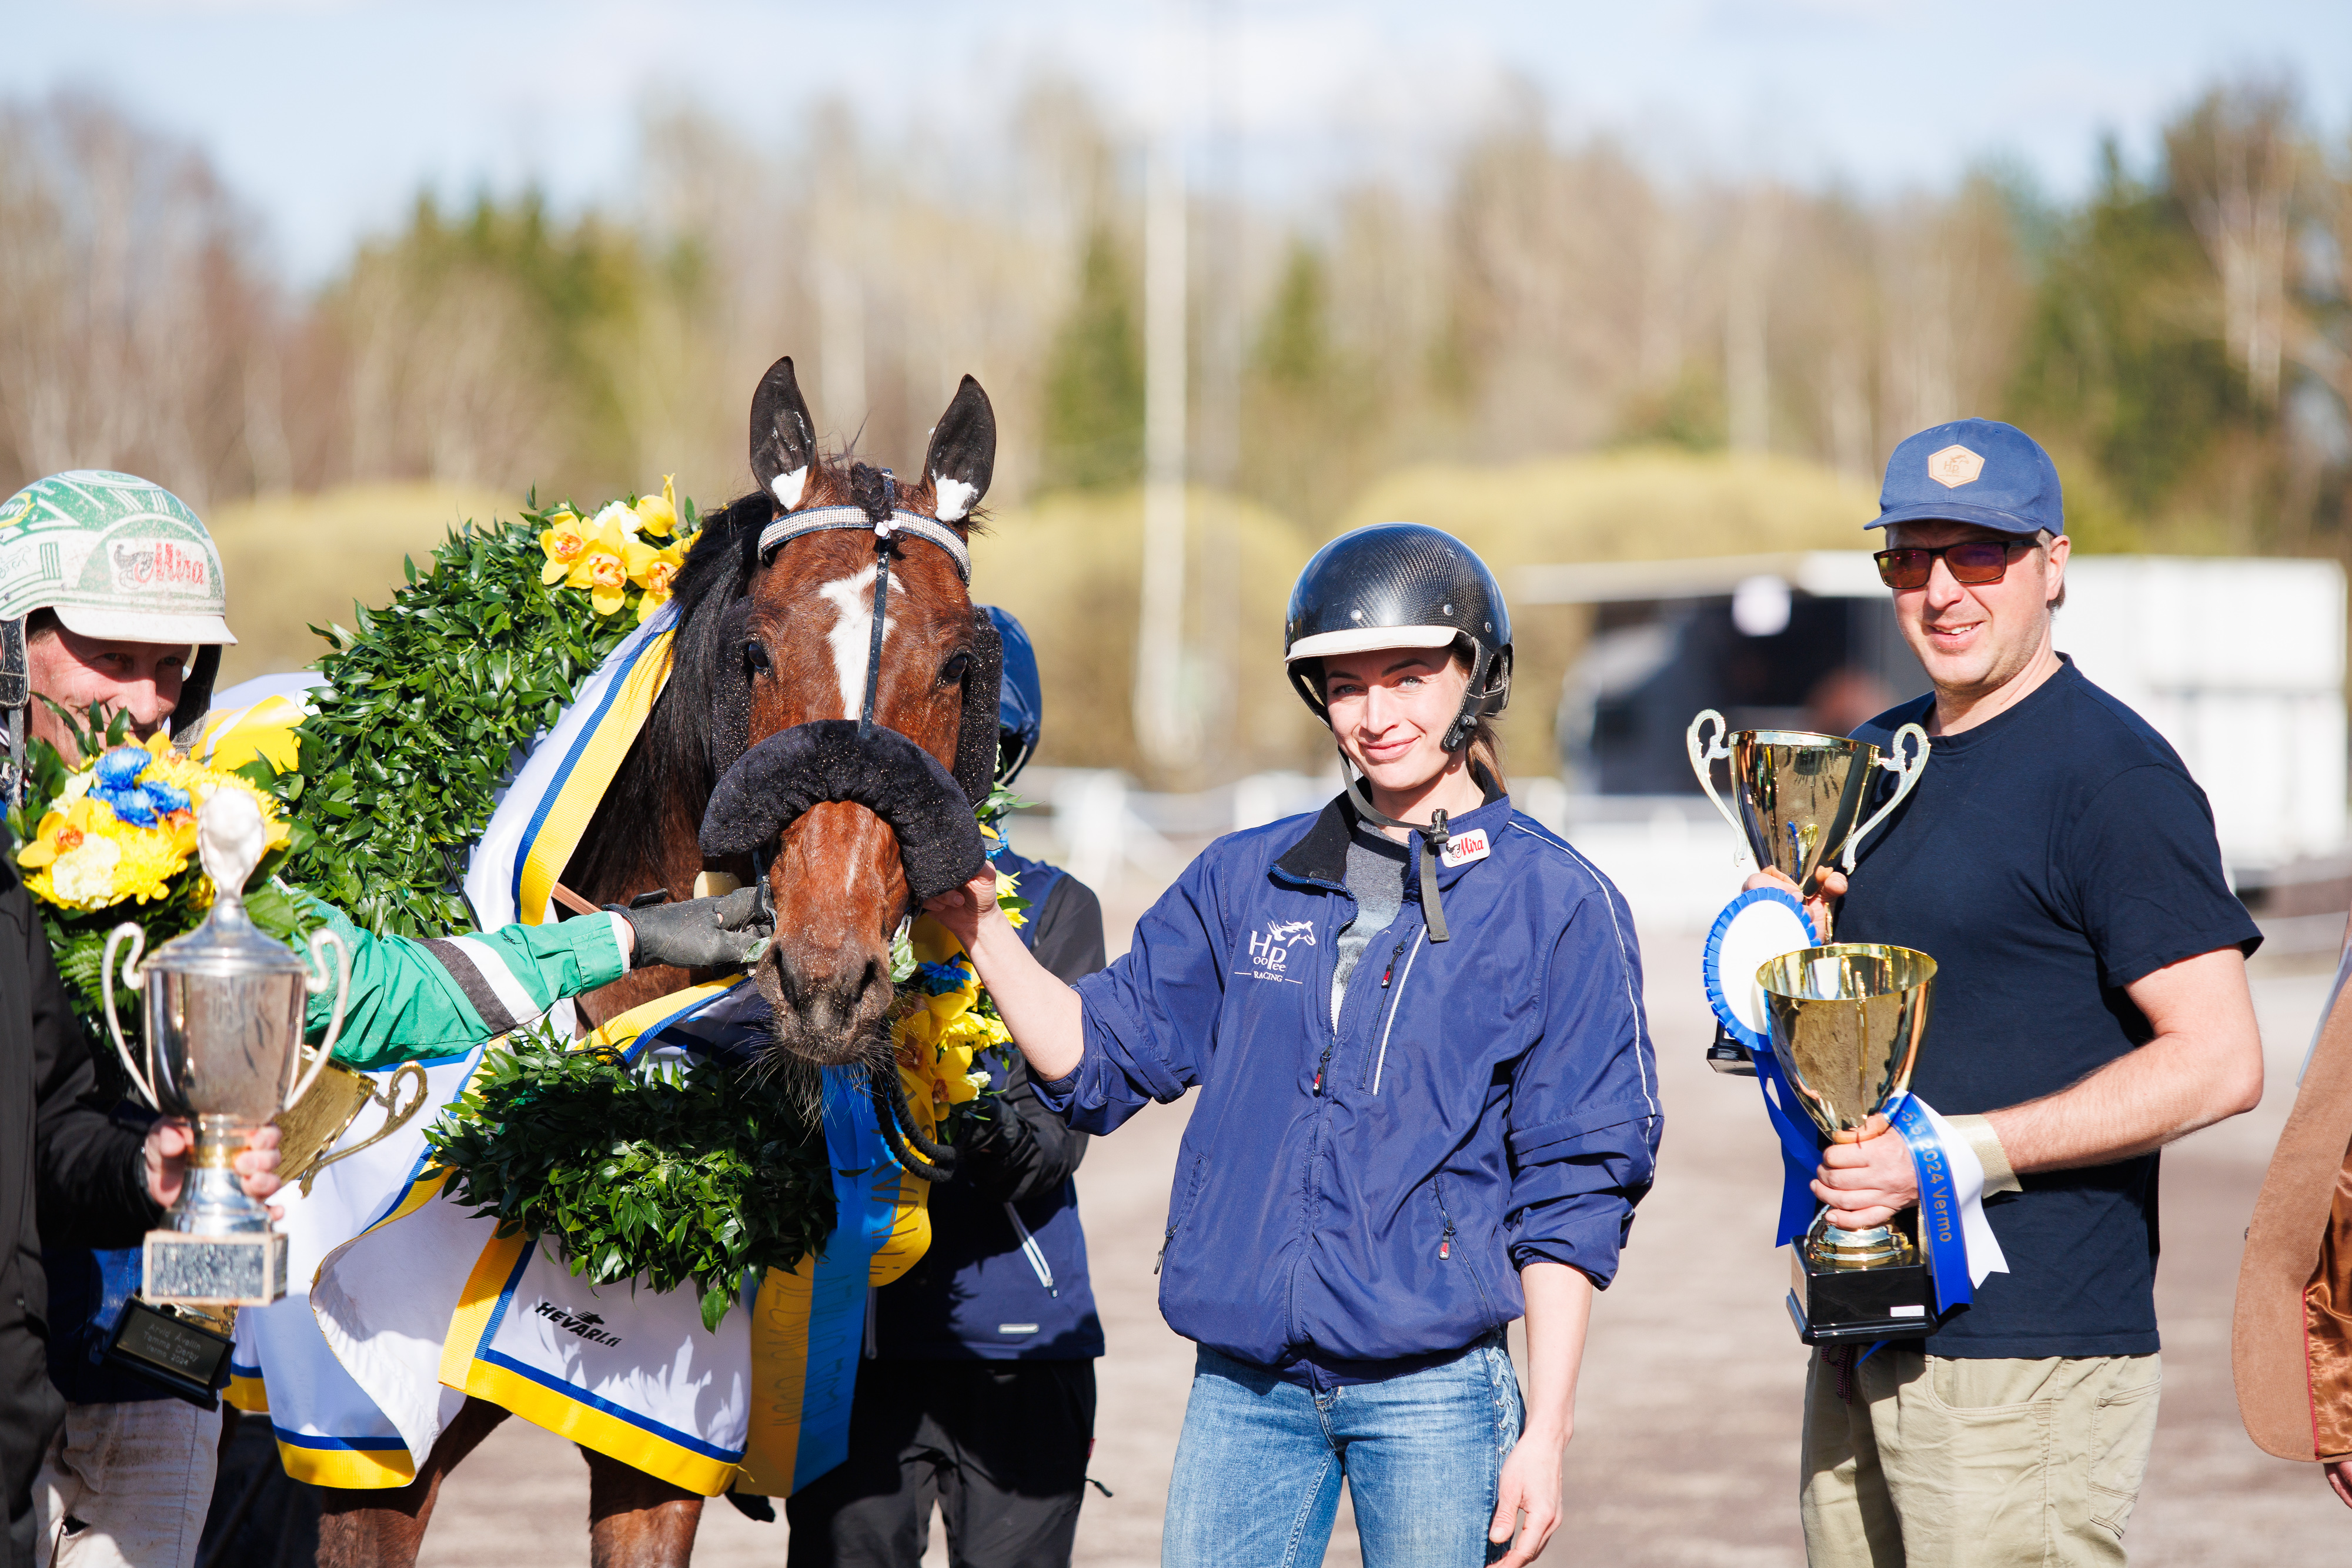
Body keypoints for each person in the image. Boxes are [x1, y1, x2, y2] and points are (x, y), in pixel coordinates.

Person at [0, 470, 766, 1568]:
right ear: (9, 648)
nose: (150, 703)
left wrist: (623, 941)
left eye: (173, 668)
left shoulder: (210, 856)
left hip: (152, 1368)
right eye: (112, 658)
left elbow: (391, 991)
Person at [924, 524, 1660, 1568]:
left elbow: (1576, 1184)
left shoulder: (1559, 902)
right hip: (1245, 1392)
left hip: (1436, 1396)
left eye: (1408, 677)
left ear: (1479, 674)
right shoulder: (1244, 878)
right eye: (1346, 687)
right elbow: (1095, 1058)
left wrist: (1546, 1432)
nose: (1376, 716)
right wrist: (979, 926)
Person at [1763, 419, 2264, 1566]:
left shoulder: (2113, 777)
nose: (1940, 590)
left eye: (1978, 553)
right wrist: (1782, 946)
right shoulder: (1870, 759)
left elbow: (2220, 1058)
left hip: (2026, 1352)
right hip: (1859, 1322)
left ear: (2053, 563)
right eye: (1909, 557)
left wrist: (1954, 1158)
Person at [784, 606, 1107, 1568]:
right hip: (854, 1348)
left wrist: (963, 1110)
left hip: (1018, 1342)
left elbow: (1054, 1142)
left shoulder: (1055, 907)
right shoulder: (818, 916)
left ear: (1006, 754)